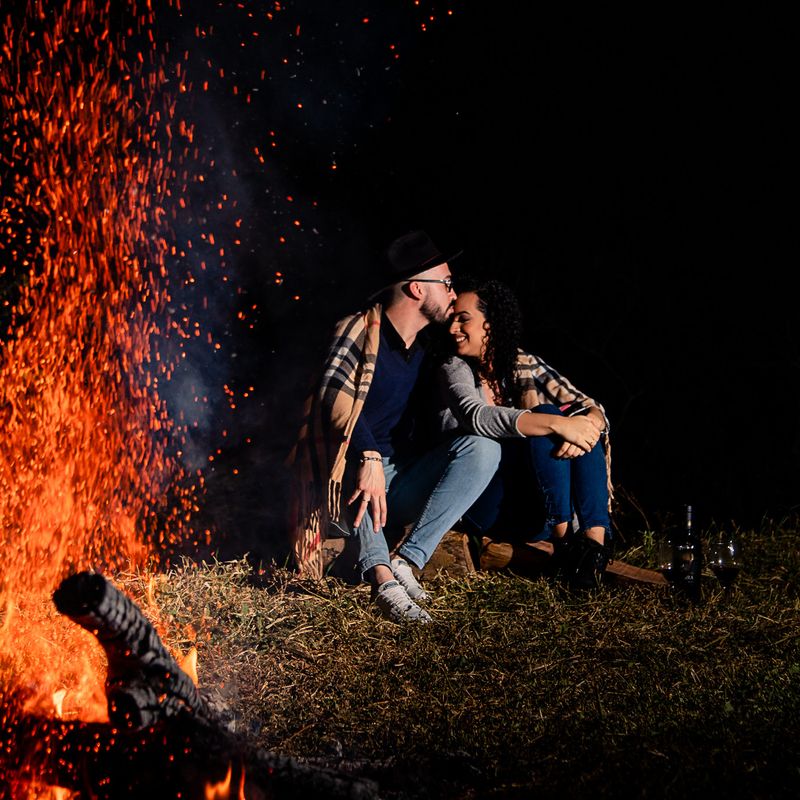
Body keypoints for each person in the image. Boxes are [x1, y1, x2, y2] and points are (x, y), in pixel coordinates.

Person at [288, 231, 501, 622]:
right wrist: (368, 454)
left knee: (484, 448)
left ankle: (405, 560)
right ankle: (383, 581)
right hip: (343, 483)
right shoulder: (356, 329)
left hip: (397, 481)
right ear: (418, 289)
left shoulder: (425, 354)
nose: (454, 295)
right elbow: (330, 393)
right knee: (358, 467)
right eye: (448, 284)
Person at [435, 278, 613, 589]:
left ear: (492, 324)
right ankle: (565, 548)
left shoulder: (523, 363)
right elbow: (477, 417)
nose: (453, 328)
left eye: (463, 319)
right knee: (548, 417)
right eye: (451, 320)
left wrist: (589, 425)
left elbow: (591, 406)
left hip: (536, 508)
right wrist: (557, 424)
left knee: (583, 429)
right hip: (485, 504)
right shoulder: (453, 368)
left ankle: (592, 551)